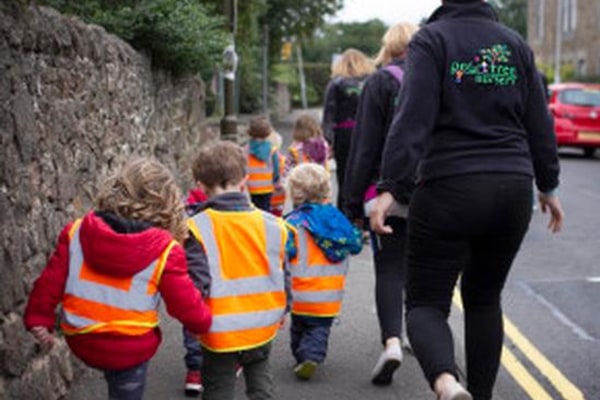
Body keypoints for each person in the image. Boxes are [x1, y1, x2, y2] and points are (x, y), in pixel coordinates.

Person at [370, 1, 564, 399]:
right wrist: (548, 185)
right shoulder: (514, 43)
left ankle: (446, 383)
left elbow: (412, 118)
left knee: (425, 303)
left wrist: (391, 186)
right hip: (512, 188)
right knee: (484, 298)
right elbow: (539, 123)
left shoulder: (433, 39)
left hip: (448, 186)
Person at [24, 157, 212, 400]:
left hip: (81, 339)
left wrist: (39, 317)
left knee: (109, 365)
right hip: (130, 347)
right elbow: (183, 302)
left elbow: (50, 282)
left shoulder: (76, 231)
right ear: (169, 203)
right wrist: (202, 324)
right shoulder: (166, 251)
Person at [342, 21, 419, 386]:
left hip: (385, 189)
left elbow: (365, 146)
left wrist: (352, 203)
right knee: (424, 268)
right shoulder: (439, 77)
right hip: (435, 189)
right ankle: (425, 331)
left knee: (389, 268)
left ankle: (392, 342)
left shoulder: (380, 81)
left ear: (388, 46)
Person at [186, 140, 292, 400]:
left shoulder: (196, 227)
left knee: (219, 387)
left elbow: (196, 284)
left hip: (219, 328)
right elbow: (283, 273)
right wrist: (285, 308)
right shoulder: (273, 225)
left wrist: (191, 320)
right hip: (263, 322)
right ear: (245, 181)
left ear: (200, 186)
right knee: (260, 379)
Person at [284, 163, 362, 380]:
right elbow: (355, 245)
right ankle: (311, 356)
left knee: (298, 328)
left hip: (299, 293)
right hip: (329, 295)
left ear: (295, 192)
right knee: (319, 329)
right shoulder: (338, 221)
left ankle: (303, 357)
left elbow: (284, 252)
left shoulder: (292, 223)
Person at [322, 48, 375, 209]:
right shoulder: (372, 81)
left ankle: (345, 213)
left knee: (344, 176)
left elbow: (329, 115)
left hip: (344, 134)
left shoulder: (336, 84)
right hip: (369, 133)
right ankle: (364, 214)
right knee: (368, 174)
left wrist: (329, 140)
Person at [246, 116, 281, 212]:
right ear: (267, 132)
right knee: (266, 209)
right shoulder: (272, 149)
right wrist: (276, 180)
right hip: (267, 186)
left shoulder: (246, 149)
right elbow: (276, 168)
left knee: (255, 208)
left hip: (252, 186)